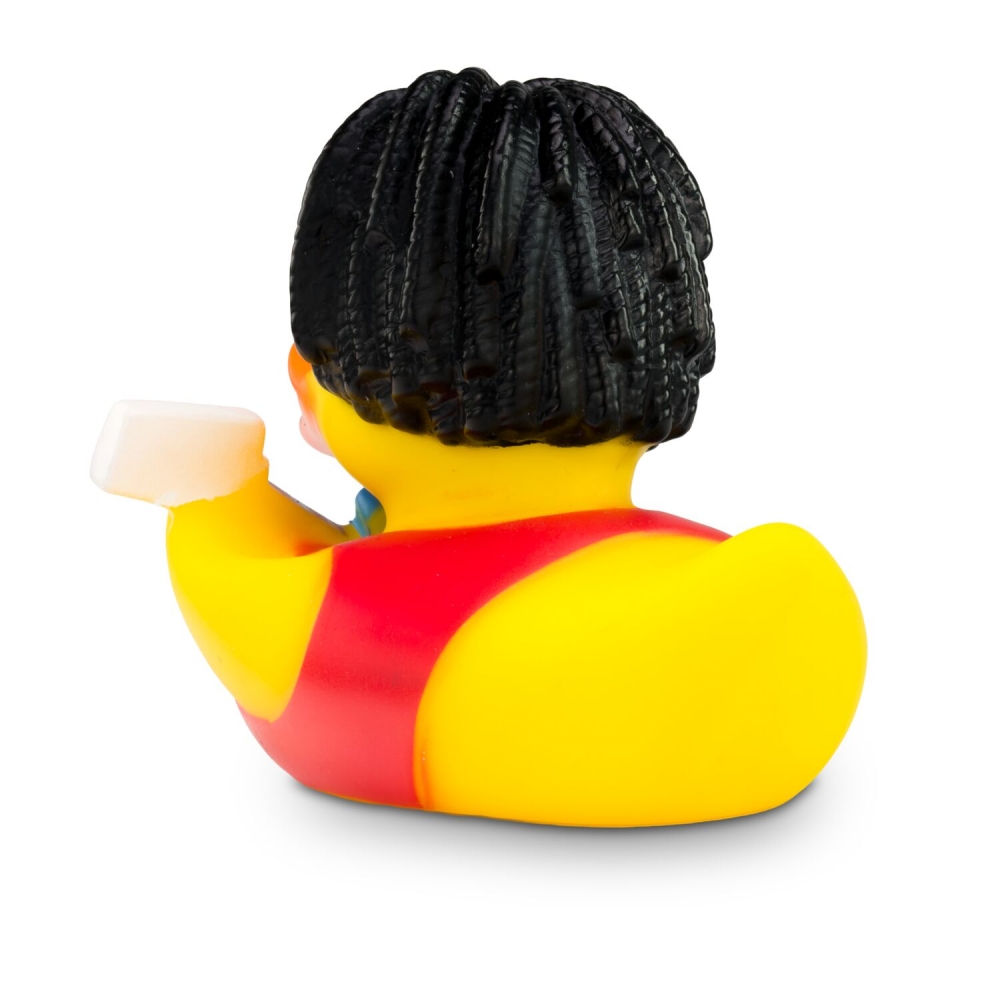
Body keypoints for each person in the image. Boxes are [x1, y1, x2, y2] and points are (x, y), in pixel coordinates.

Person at [93, 69, 865, 827]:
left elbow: (226, 568)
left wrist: (213, 488)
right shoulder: (711, 562)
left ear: (318, 370)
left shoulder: (315, 613)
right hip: (732, 638)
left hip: (561, 673)